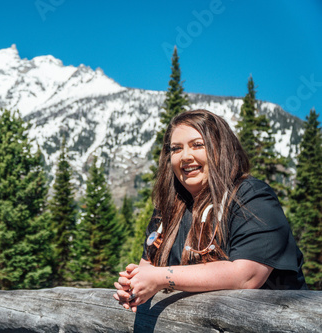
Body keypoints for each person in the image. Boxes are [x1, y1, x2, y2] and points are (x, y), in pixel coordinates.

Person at [114, 109, 307, 313]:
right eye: (176, 149)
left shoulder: (251, 196)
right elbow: (148, 268)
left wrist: (161, 277)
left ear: (221, 149)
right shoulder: (166, 210)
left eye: (198, 145)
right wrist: (132, 285)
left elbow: (246, 276)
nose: (186, 156)